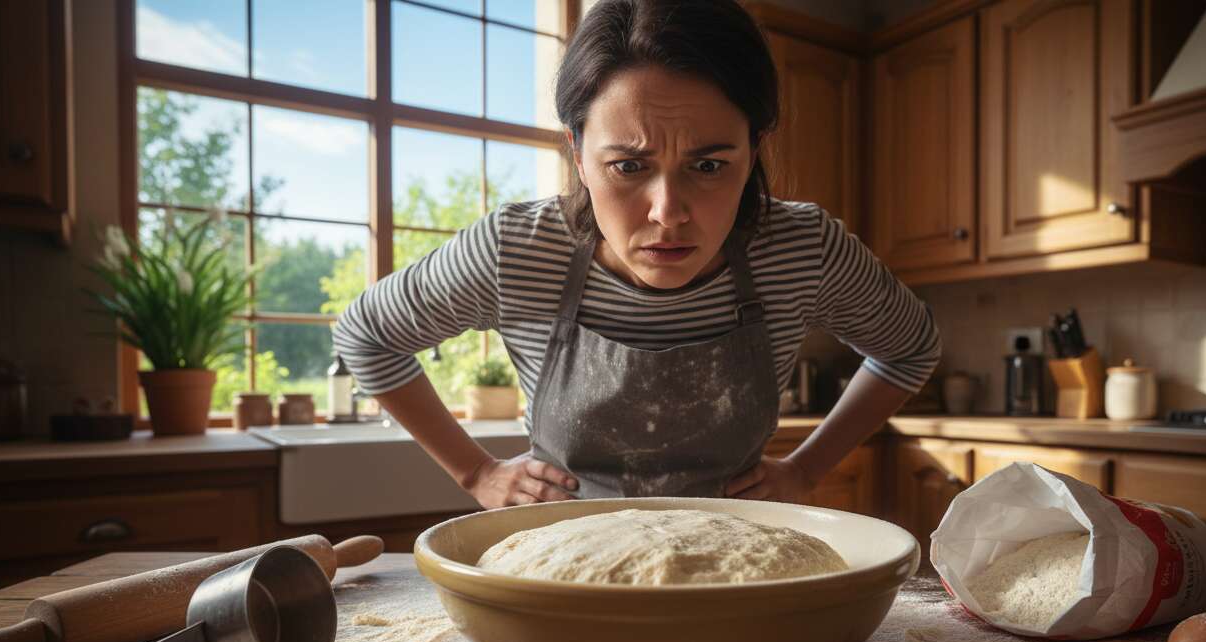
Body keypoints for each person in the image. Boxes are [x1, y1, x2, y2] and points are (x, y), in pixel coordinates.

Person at [332, 0, 940, 509]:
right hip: (561, 559)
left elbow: (910, 348)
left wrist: (807, 470)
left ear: (753, 152)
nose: (667, 212)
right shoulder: (516, 250)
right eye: (628, 166)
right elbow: (366, 335)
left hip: (737, 562)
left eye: (708, 165)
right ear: (578, 153)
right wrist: (475, 472)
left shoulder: (802, 249)